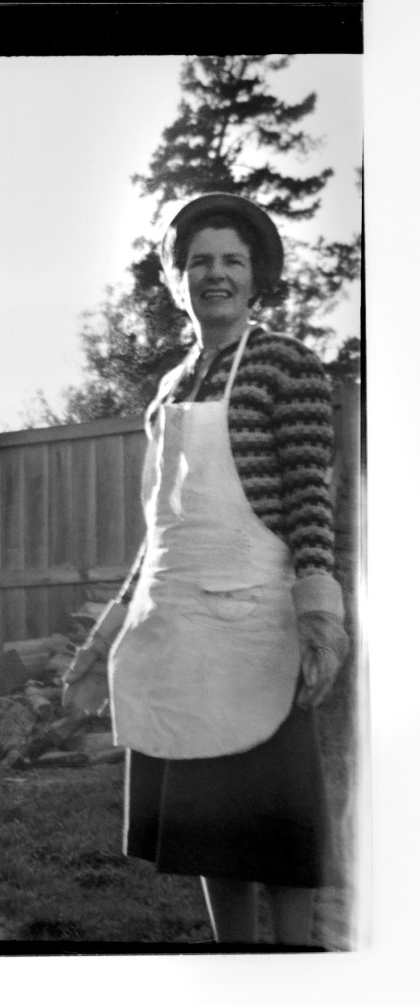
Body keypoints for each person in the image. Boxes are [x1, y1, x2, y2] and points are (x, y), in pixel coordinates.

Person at [62, 193, 349, 946]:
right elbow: (159, 532)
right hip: (181, 625)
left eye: (231, 261)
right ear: (177, 280)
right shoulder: (168, 390)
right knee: (213, 836)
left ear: (257, 279)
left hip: (260, 626)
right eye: (198, 263)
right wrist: (105, 637)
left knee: (279, 841)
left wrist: (319, 610)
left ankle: (295, 973)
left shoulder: (289, 366)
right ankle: (236, 964)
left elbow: (312, 500)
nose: (214, 275)